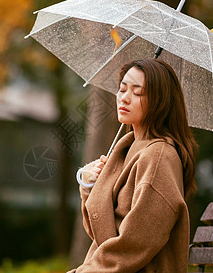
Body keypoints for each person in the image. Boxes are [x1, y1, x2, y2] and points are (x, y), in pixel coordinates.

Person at [69, 59, 197, 272]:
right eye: (122, 89)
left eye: (137, 93)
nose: (124, 98)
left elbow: (135, 244)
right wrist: (90, 186)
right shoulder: (127, 150)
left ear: (160, 101)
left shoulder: (158, 157)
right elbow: (102, 234)